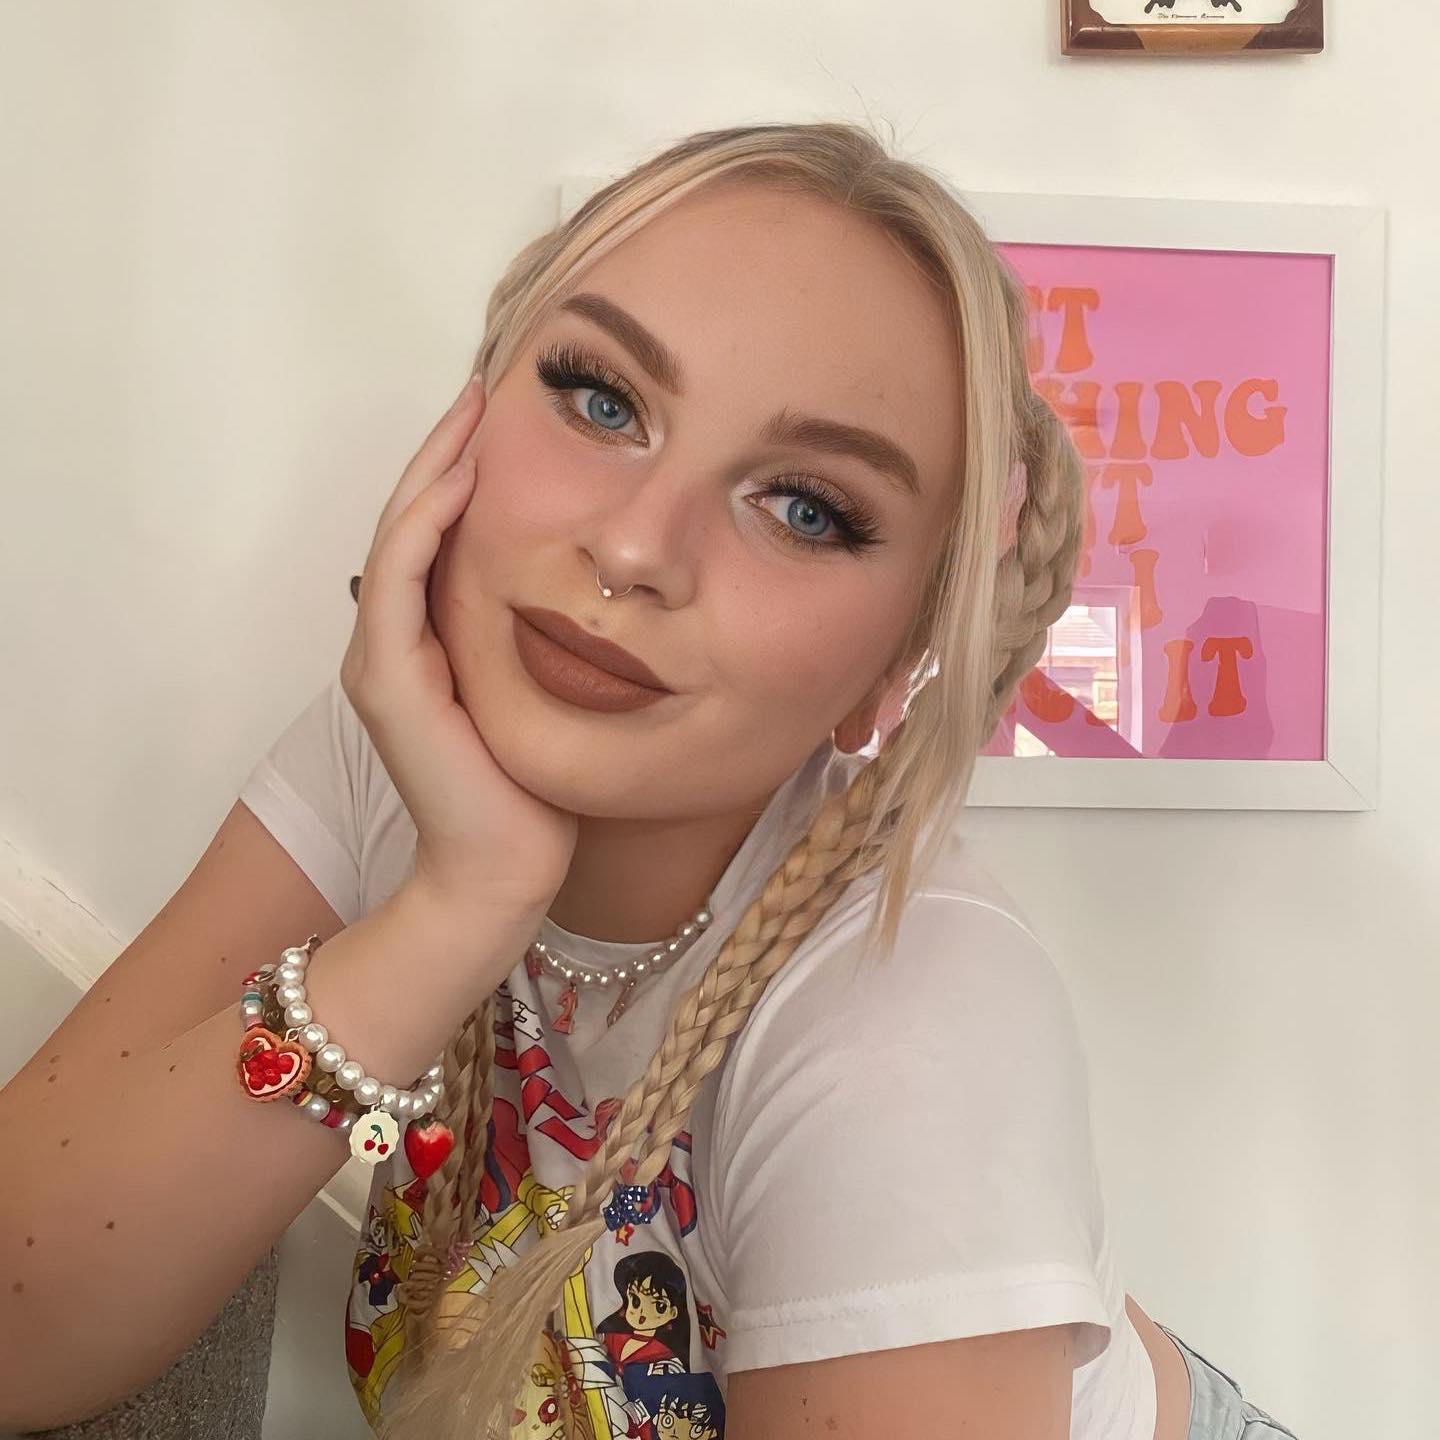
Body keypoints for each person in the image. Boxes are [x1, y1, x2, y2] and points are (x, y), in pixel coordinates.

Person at [0, 120, 1303, 1440]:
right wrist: (461, 902)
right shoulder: (393, 750)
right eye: (601, 400)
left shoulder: (914, 1032)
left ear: (891, 665)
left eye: (806, 508)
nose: (633, 547)